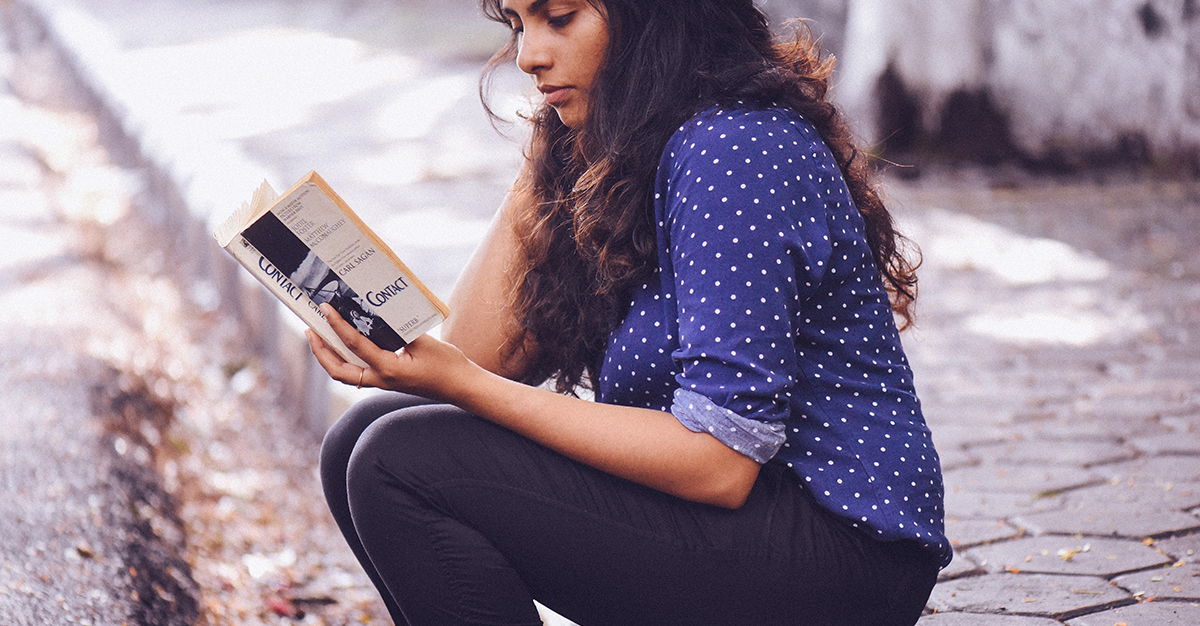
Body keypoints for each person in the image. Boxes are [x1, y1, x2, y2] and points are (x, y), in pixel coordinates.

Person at [309, 1, 951, 624]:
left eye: (558, 18)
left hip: (839, 547)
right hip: (742, 516)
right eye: (517, 24)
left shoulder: (736, 148)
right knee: (361, 435)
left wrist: (462, 383)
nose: (528, 57)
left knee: (399, 459)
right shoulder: (624, 148)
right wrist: (548, 152)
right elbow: (478, 355)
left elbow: (718, 461)